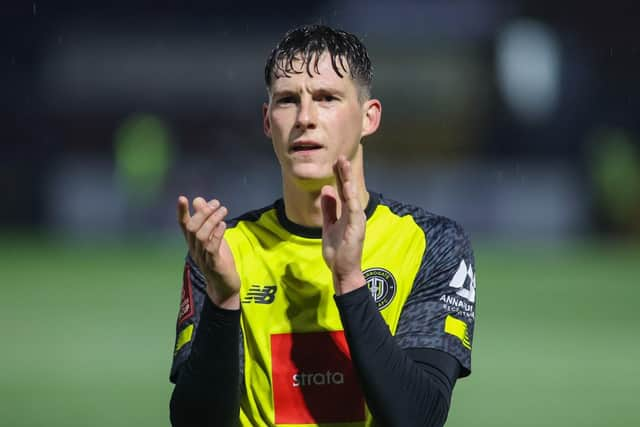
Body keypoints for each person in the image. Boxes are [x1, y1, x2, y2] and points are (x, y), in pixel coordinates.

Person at [169, 24, 477, 427]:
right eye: (287, 101)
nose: (305, 118)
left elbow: (418, 418)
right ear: (267, 121)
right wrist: (224, 300)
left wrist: (349, 279)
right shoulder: (223, 252)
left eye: (327, 98)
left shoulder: (431, 244)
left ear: (370, 118)